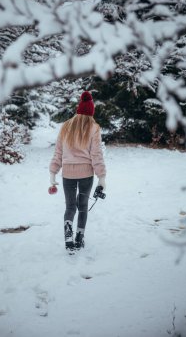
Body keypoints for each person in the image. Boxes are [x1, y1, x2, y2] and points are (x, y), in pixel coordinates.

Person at [49, 90, 106, 252]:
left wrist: (53, 173)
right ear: (91, 112)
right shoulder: (94, 127)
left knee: (70, 207)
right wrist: (101, 177)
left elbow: (58, 153)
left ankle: (68, 234)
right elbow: (96, 154)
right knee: (82, 206)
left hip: (68, 174)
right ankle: (79, 238)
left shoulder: (65, 126)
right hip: (86, 174)